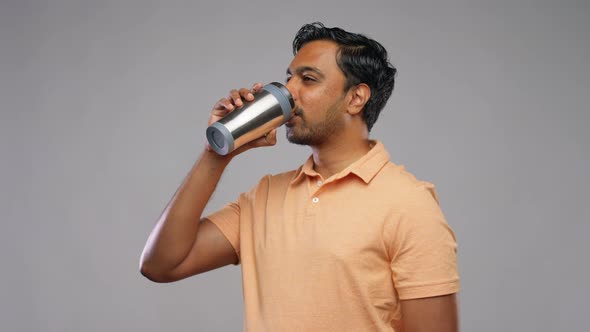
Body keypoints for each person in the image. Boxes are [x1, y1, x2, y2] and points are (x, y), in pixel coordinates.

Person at [140, 22, 460, 331]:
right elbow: (160, 265)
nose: (288, 92)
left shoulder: (409, 205)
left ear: (355, 98)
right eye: (289, 78)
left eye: (307, 80)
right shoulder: (264, 196)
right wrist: (217, 152)